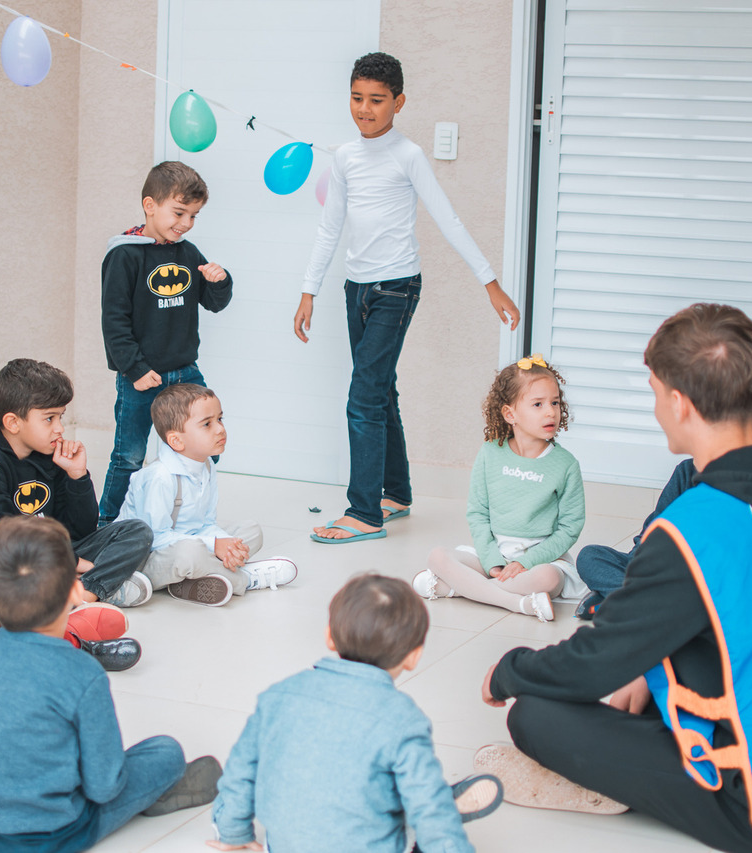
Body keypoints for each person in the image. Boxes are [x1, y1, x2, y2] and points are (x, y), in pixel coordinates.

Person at [475, 304, 752, 853]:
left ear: (678, 402)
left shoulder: (693, 526)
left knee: (534, 713)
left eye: (655, 393)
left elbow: (590, 663)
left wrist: (507, 672)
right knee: (648, 660)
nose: (656, 409)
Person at [296, 52, 521, 544]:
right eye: (357, 98)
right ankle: (395, 493)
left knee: (363, 398)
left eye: (376, 100)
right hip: (356, 288)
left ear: (399, 102)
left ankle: (364, 511)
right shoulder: (345, 158)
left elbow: (448, 219)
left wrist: (490, 282)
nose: (364, 109)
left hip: (397, 288)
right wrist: (308, 289)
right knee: (381, 391)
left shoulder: (409, 155)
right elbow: (330, 227)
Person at [0, 516, 221, 853]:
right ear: (76, 589)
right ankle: (154, 796)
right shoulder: (81, 673)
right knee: (166, 752)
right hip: (53, 832)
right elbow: (104, 786)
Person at [209, 574, 502, 853]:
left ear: (329, 637)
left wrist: (232, 831)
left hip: (284, 846)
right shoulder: (402, 718)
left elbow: (242, 771)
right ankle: (444, 806)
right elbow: (430, 809)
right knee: (424, 803)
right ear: (414, 656)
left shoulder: (277, 696)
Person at [99, 161, 233, 522]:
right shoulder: (124, 255)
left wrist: (220, 281)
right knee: (128, 455)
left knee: (207, 445)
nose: (186, 223)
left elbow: (214, 303)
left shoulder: (187, 253)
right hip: (141, 376)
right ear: (150, 205)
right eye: (179, 212)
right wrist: (135, 368)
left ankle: (188, 515)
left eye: (193, 215)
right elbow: (114, 321)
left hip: (186, 372)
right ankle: (107, 525)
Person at [412, 356, 586, 621]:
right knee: (436, 556)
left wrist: (526, 562)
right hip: (493, 552)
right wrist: (493, 561)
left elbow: (570, 528)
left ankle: (462, 588)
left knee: (548, 578)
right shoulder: (490, 453)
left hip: (540, 559)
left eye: (555, 403)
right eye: (538, 404)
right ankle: (517, 603)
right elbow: (478, 513)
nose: (551, 411)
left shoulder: (565, 464)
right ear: (510, 414)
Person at [0, 358, 154, 608]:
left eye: (61, 417)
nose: (59, 429)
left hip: (63, 553)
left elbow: (82, 531)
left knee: (137, 532)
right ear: (13, 422)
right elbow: (1, 528)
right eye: (49, 419)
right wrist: (71, 560)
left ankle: (84, 592)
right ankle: (96, 584)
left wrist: (77, 476)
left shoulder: (51, 456)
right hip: (19, 553)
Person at [116, 384, 297, 607]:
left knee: (251, 531)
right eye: (207, 424)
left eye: (220, 419)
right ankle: (246, 579)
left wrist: (225, 545)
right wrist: (214, 545)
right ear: (176, 441)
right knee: (190, 553)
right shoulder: (159, 477)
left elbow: (206, 523)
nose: (220, 429)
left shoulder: (207, 465)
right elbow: (153, 538)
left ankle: (191, 581)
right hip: (147, 558)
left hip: (192, 543)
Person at [573, 459, 695, 620]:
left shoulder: (732, 483)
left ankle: (618, 600)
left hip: (688, 573)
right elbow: (654, 528)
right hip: (653, 564)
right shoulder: (687, 470)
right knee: (589, 555)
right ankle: (637, 602)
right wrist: (638, 561)